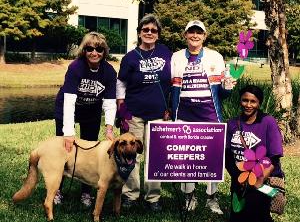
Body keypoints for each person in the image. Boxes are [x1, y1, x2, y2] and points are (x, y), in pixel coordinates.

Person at [171, 20, 236, 214]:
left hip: (210, 114)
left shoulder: (215, 56)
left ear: (204, 36)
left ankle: (212, 197)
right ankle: (190, 196)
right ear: (185, 35)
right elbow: (171, 88)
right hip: (184, 114)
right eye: (191, 32)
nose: (195, 35)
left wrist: (228, 87)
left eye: (199, 32)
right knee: (187, 156)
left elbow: (223, 94)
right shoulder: (176, 57)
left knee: (213, 157)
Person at [116, 14, 172, 212]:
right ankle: (130, 194)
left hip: (159, 114)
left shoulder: (166, 52)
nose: (149, 33)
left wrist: (170, 107)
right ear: (139, 33)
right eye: (145, 30)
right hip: (134, 113)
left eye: (153, 30)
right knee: (131, 155)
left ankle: (153, 197)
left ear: (158, 34)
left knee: (155, 156)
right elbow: (121, 82)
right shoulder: (130, 57)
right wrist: (122, 110)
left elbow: (173, 81)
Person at [54, 32, 117, 207]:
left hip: (91, 112)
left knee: (89, 152)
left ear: (104, 51)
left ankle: (86, 192)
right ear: (84, 50)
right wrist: (68, 133)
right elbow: (69, 102)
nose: (94, 53)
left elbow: (110, 103)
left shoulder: (109, 72)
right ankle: (57, 189)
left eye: (99, 49)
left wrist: (109, 128)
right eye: (89, 48)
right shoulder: (76, 67)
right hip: (67, 109)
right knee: (64, 150)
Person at [225, 85, 284, 222]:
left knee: (259, 215)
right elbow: (228, 155)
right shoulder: (233, 124)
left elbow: (274, 157)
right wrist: (238, 177)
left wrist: (258, 181)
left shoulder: (267, 122)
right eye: (245, 100)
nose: (248, 105)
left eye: (253, 101)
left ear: (259, 103)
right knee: (237, 215)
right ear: (240, 100)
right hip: (239, 180)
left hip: (262, 180)